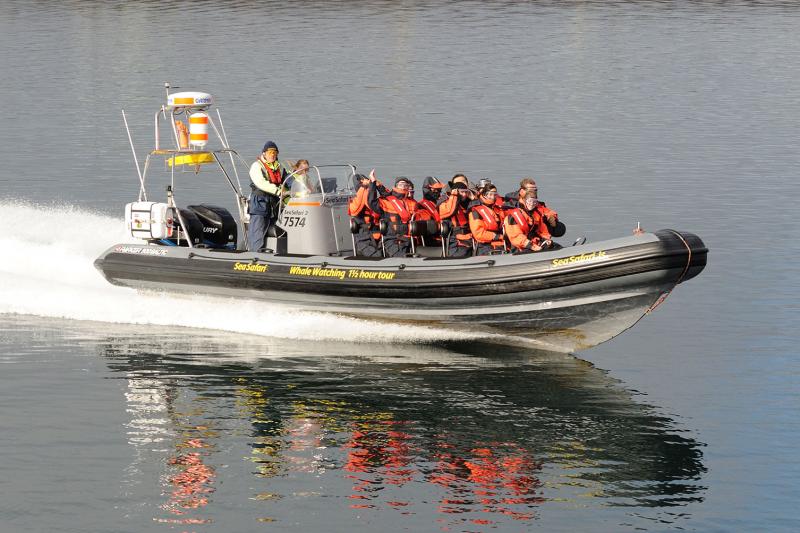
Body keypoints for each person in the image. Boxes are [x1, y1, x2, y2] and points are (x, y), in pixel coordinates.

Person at [247, 141, 287, 251]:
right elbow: (261, 183)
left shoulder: (280, 167)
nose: (272, 154)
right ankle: (255, 255)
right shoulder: (256, 166)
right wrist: (278, 191)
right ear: (264, 153)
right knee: (257, 232)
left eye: (275, 152)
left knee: (281, 229)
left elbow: (288, 180)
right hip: (260, 204)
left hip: (274, 205)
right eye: (270, 152)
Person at [368, 171, 412, 257]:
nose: (403, 186)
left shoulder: (411, 203)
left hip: (408, 240)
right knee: (402, 258)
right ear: (396, 186)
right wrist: (373, 182)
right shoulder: (386, 202)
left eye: (406, 185)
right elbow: (372, 202)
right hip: (391, 240)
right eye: (401, 184)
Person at [348, 173, 382, 257]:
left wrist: (375, 184)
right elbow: (357, 206)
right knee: (376, 256)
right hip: (363, 238)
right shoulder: (354, 202)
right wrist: (364, 187)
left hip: (380, 235)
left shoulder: (377, 202)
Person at [468, 183, 506, 255]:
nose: (493, 197)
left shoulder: (497, 209)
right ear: (484, 195)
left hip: (501, 244)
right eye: (490, 194)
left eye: (495, 194)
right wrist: (497, 236)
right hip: (485, 246)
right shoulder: (475, 211)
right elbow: (478, 233)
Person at [438, 182, 473, 257]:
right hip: (453, 241)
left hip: (468, 237)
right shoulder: (443, 204)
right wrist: (454, 195)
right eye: (462, 192)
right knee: (462, 252)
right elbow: (449, 211)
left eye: (466, 192)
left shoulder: (465, 204)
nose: (464, 194)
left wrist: (474, 198)